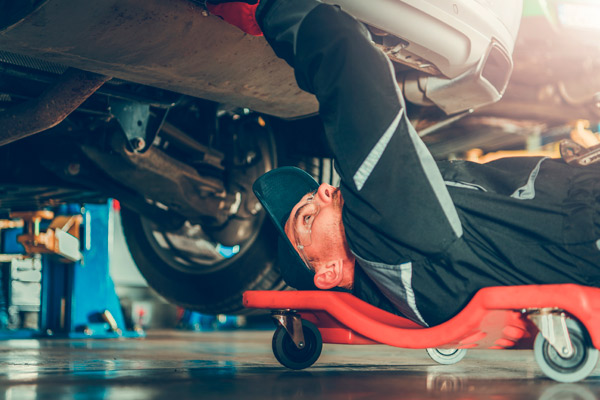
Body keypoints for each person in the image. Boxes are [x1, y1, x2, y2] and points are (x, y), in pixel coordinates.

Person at [207, 0, 600, 326]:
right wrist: (272, 9)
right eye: (307, 218)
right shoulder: (383, 241)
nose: (324, 190)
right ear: (326, 273)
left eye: (309, 198)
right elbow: (351, 65)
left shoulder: (404, 282)